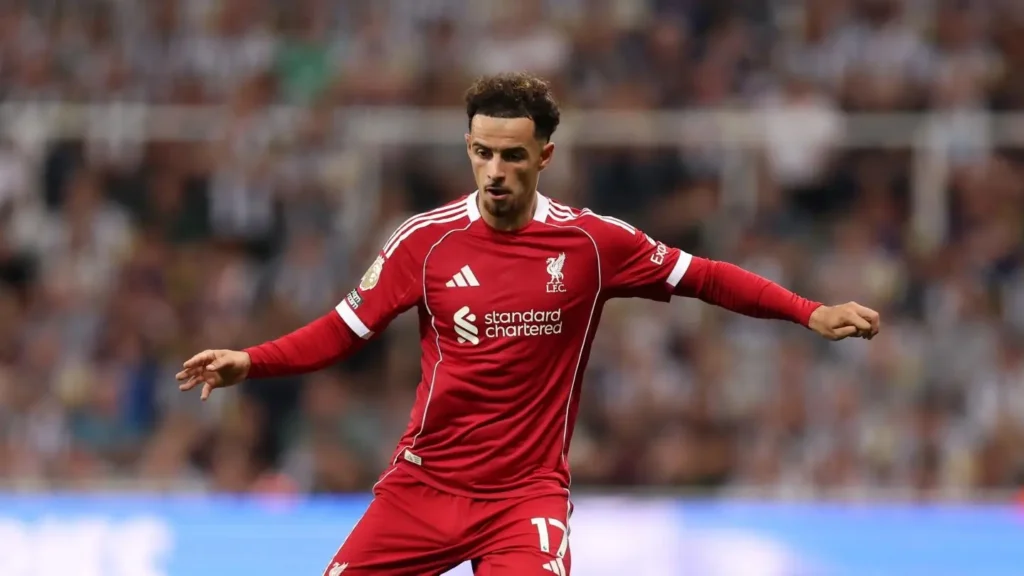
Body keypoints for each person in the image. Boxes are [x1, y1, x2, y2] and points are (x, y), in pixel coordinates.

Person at [176, 72, 880, 576]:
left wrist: (809, 311)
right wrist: (251, 360)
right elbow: (342, 329)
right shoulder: (425, 243)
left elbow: (705, 277)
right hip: (424, 488)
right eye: (482, 152)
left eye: (512, 155)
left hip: (524, 498)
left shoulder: (591, 244)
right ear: (468, 148)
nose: (495, 170)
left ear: (544, 155)